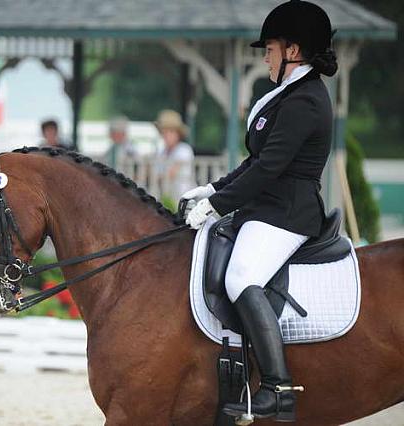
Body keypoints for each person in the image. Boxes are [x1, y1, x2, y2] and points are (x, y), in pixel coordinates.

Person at [182, 0, 338, 422]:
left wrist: (217, 206)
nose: (264, 56)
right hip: (267, 206)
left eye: (269, 49)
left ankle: (277, 386)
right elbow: (257, 160)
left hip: (287, 213)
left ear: (293, 51)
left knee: (240, 277)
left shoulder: (305, 101)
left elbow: (271, 168)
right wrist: (213, 188)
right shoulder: (288, 95)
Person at [154, 110, 196, 201]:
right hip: (166, 197)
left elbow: (170, 174)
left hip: (183, 198)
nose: (166, 135)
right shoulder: (161, 151)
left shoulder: (184, 150)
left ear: (178, 134)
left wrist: (154, 177)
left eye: (171, 131)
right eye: (164, 132)